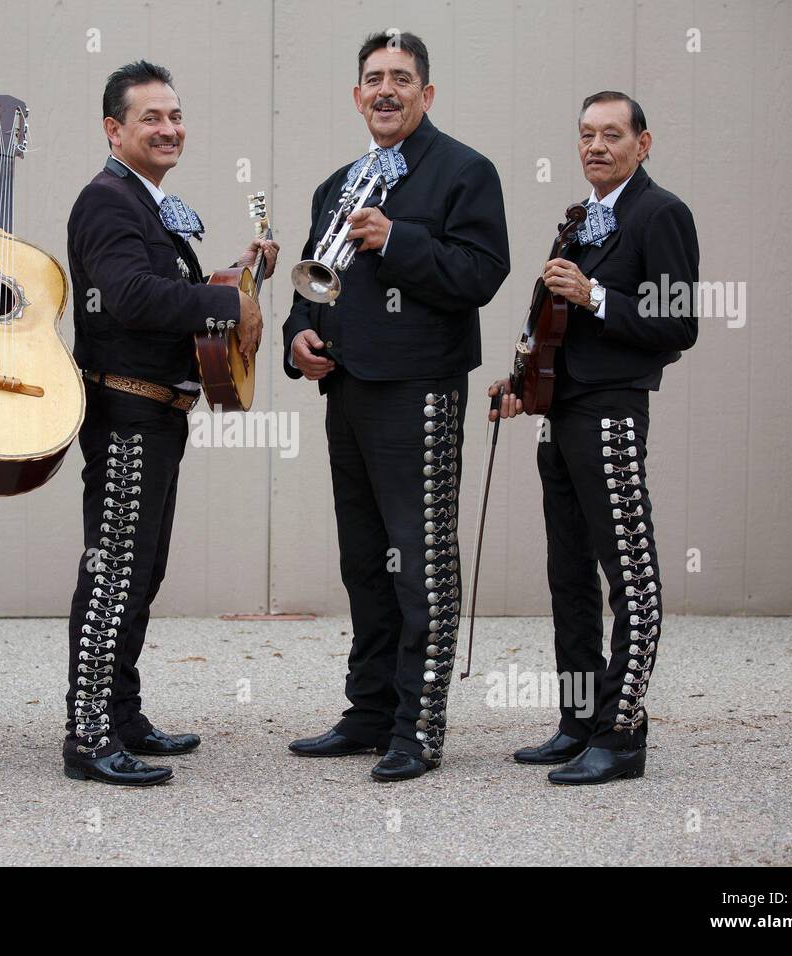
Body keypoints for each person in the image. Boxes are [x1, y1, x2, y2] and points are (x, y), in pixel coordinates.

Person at [283, 32, 510, 782]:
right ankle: (369, 711)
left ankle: (419, 725)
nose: (386, 90)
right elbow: (311, 289)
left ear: (427, 94)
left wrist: (396, 238)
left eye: (401, 79)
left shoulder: (466, 172)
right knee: (364, 563)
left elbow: (480, 274)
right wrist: (297, 339)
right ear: (357, 97)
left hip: (420, 392)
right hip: (347, 391)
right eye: (373, 79)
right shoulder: (336, 183)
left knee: (421, 563)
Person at [61, 61, 278, 786]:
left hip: (156, 413)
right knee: (114, 572)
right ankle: (89, 737)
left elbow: (170, 292)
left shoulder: (145, 203)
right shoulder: (107, 202)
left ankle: (121, 715)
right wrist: (225, 307)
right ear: (113, 129)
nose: (169, 128)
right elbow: (127, 295)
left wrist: (237, 277)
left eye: (175, 115)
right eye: (151, 118)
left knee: (139, 571)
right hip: (125, 413)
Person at [491, 91, 699, 785]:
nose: (596, 146)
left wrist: (597, 297)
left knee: (629, 575)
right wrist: (520, 382)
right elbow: (550, 326)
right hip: (563, 418)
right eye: (586, 134)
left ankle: (623, 732)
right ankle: (578, 723)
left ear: (644, 142)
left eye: (613, 134)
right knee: (570, 579)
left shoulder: (660, 213)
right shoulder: (581, 219)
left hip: (611, 413)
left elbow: (678, 322)